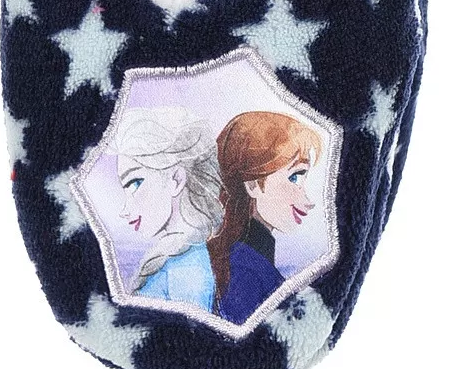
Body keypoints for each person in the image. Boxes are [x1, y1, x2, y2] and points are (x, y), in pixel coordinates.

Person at [207, 111, 322, 324]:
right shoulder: (244, 273)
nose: (308, 200)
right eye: (295, 177)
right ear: (252, 185)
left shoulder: (242, 262)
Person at [112, 106, 223, 312]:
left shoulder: (185, 271)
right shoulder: (182, 259)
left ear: (176, 180)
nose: (124, 210)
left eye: (135, 183)